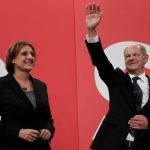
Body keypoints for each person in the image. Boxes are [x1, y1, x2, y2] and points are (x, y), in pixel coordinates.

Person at [85, 2, 150, 150]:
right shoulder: (116, 79)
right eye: (127, 56)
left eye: (135, 55)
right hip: (112, 144)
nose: (131, 58)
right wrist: (91, 31)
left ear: (145, 59)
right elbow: (100, 61)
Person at [0, 41, 55, 150]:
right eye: (24, 54)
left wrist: (48, 130)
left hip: (41, 146)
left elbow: (48, 119)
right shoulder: (2, 85)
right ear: (13, 59)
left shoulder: (41, 86)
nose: (30, 57)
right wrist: (18, 132)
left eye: (32, 54)